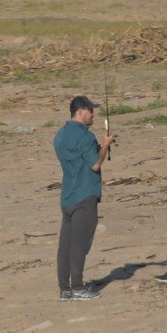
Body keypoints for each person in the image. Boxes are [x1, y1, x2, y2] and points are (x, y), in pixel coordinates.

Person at [54, 94, 113, 301]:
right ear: (81, 112)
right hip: (84, 195)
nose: (93, 114)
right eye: (90, 110)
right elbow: (95, 164)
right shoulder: (86, 136)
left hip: (68, 196)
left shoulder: (60, 135)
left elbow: (78, 158)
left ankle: (65, 289)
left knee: (66, 245)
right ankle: (77, 287)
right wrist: (105, 144)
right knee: (79, 245)